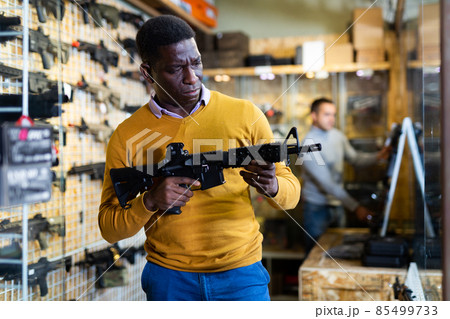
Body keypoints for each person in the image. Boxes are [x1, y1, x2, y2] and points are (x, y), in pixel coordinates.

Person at [98, 15, 301, 301]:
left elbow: (291, 194)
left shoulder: (245, 114)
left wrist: (273, 186)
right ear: (148, 71)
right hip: (169, 278)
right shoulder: (127, 133)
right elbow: (109, 227)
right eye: (175, 68)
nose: (191, 77)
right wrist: (150, 201)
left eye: (196, 63)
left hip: (241, 273)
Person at [300, 98, 390, 253]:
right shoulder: (306, 144)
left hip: (338, 204)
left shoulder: (337, 136)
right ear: (314, 116)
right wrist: (356, 207)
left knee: (338, 253)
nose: (331, 119)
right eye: (326, 114)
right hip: (316, 208)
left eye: (333, 115)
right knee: (315, 255)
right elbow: (327, 184)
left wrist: (378, 156)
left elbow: (355, 158)